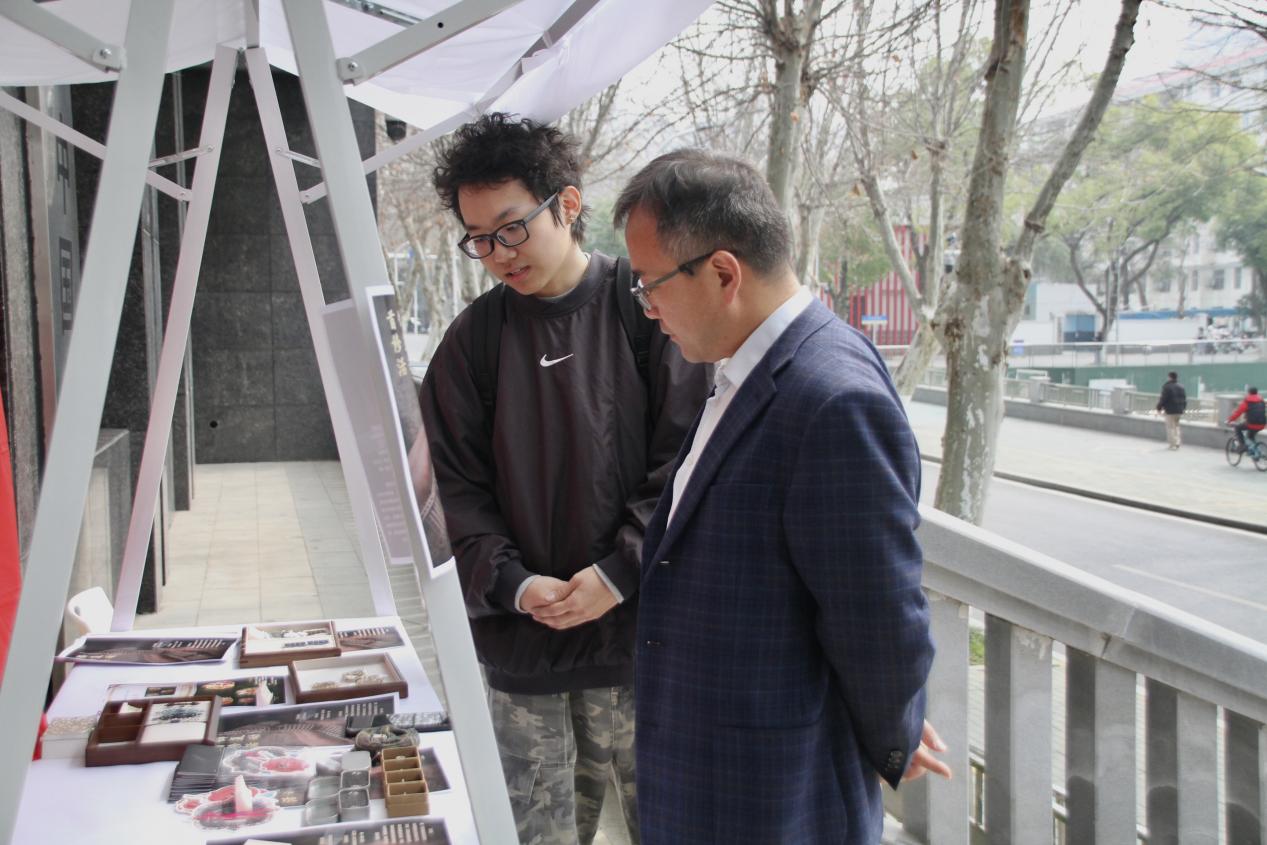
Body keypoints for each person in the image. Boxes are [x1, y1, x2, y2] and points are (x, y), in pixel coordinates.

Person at [613, 149, 946, 844]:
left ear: (722, 273)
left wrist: (894, 729)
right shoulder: (747, 367)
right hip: (710, 766)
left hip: (772, 789)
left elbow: (880, 612)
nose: (648, 308)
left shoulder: (832, 397)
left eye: (651, 285)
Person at [417, 114, 710, 845]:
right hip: (526, 653)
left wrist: (618, 571)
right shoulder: (472, 343)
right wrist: (513, 582)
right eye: (479, 238)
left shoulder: (648, 311)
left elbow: (688, 461)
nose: (497, 253)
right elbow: (454, 491)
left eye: (511, 228)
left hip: (645, 645)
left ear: (567, 205)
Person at [1156, 371, 1187, 450]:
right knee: (1176, 426)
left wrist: (1159, 408)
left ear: (1169, 377)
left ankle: (1173, 444)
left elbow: (1163, 399)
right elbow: (1184, 399)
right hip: (1179, 410)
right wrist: (1183, 408)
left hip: (1170, 410)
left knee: (1170, 427)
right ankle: (1177, 442)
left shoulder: (1167, 387)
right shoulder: (1181, 387)